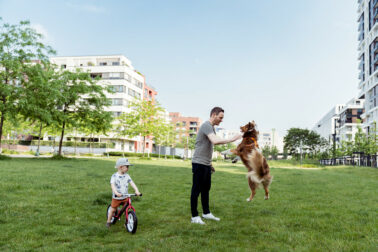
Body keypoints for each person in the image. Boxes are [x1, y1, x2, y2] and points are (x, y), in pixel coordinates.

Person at [190, 107, 242, 224]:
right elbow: (214, 141)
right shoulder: (206, 125)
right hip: (198, 163)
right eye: (220, 117)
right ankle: (194, 216)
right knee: (196, 190)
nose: (221, 120)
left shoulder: (212, 128)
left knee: (206, 190)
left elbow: (207, 147)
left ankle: (206, 213)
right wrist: (232, 139)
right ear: (214, 115)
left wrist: (210, 164)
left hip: (206, 164)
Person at [106, 158, 141, 228]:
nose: (128, 168)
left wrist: (136, 190)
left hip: (125, 197)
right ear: (121, 167)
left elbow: (132, 183)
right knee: (113, 209)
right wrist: (116, 192)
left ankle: (126, 223)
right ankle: (108, 221)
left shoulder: (127, 176)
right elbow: (112, 186)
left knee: (126, 210)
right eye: (127, 167)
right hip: (117, 197)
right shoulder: (114, 176)